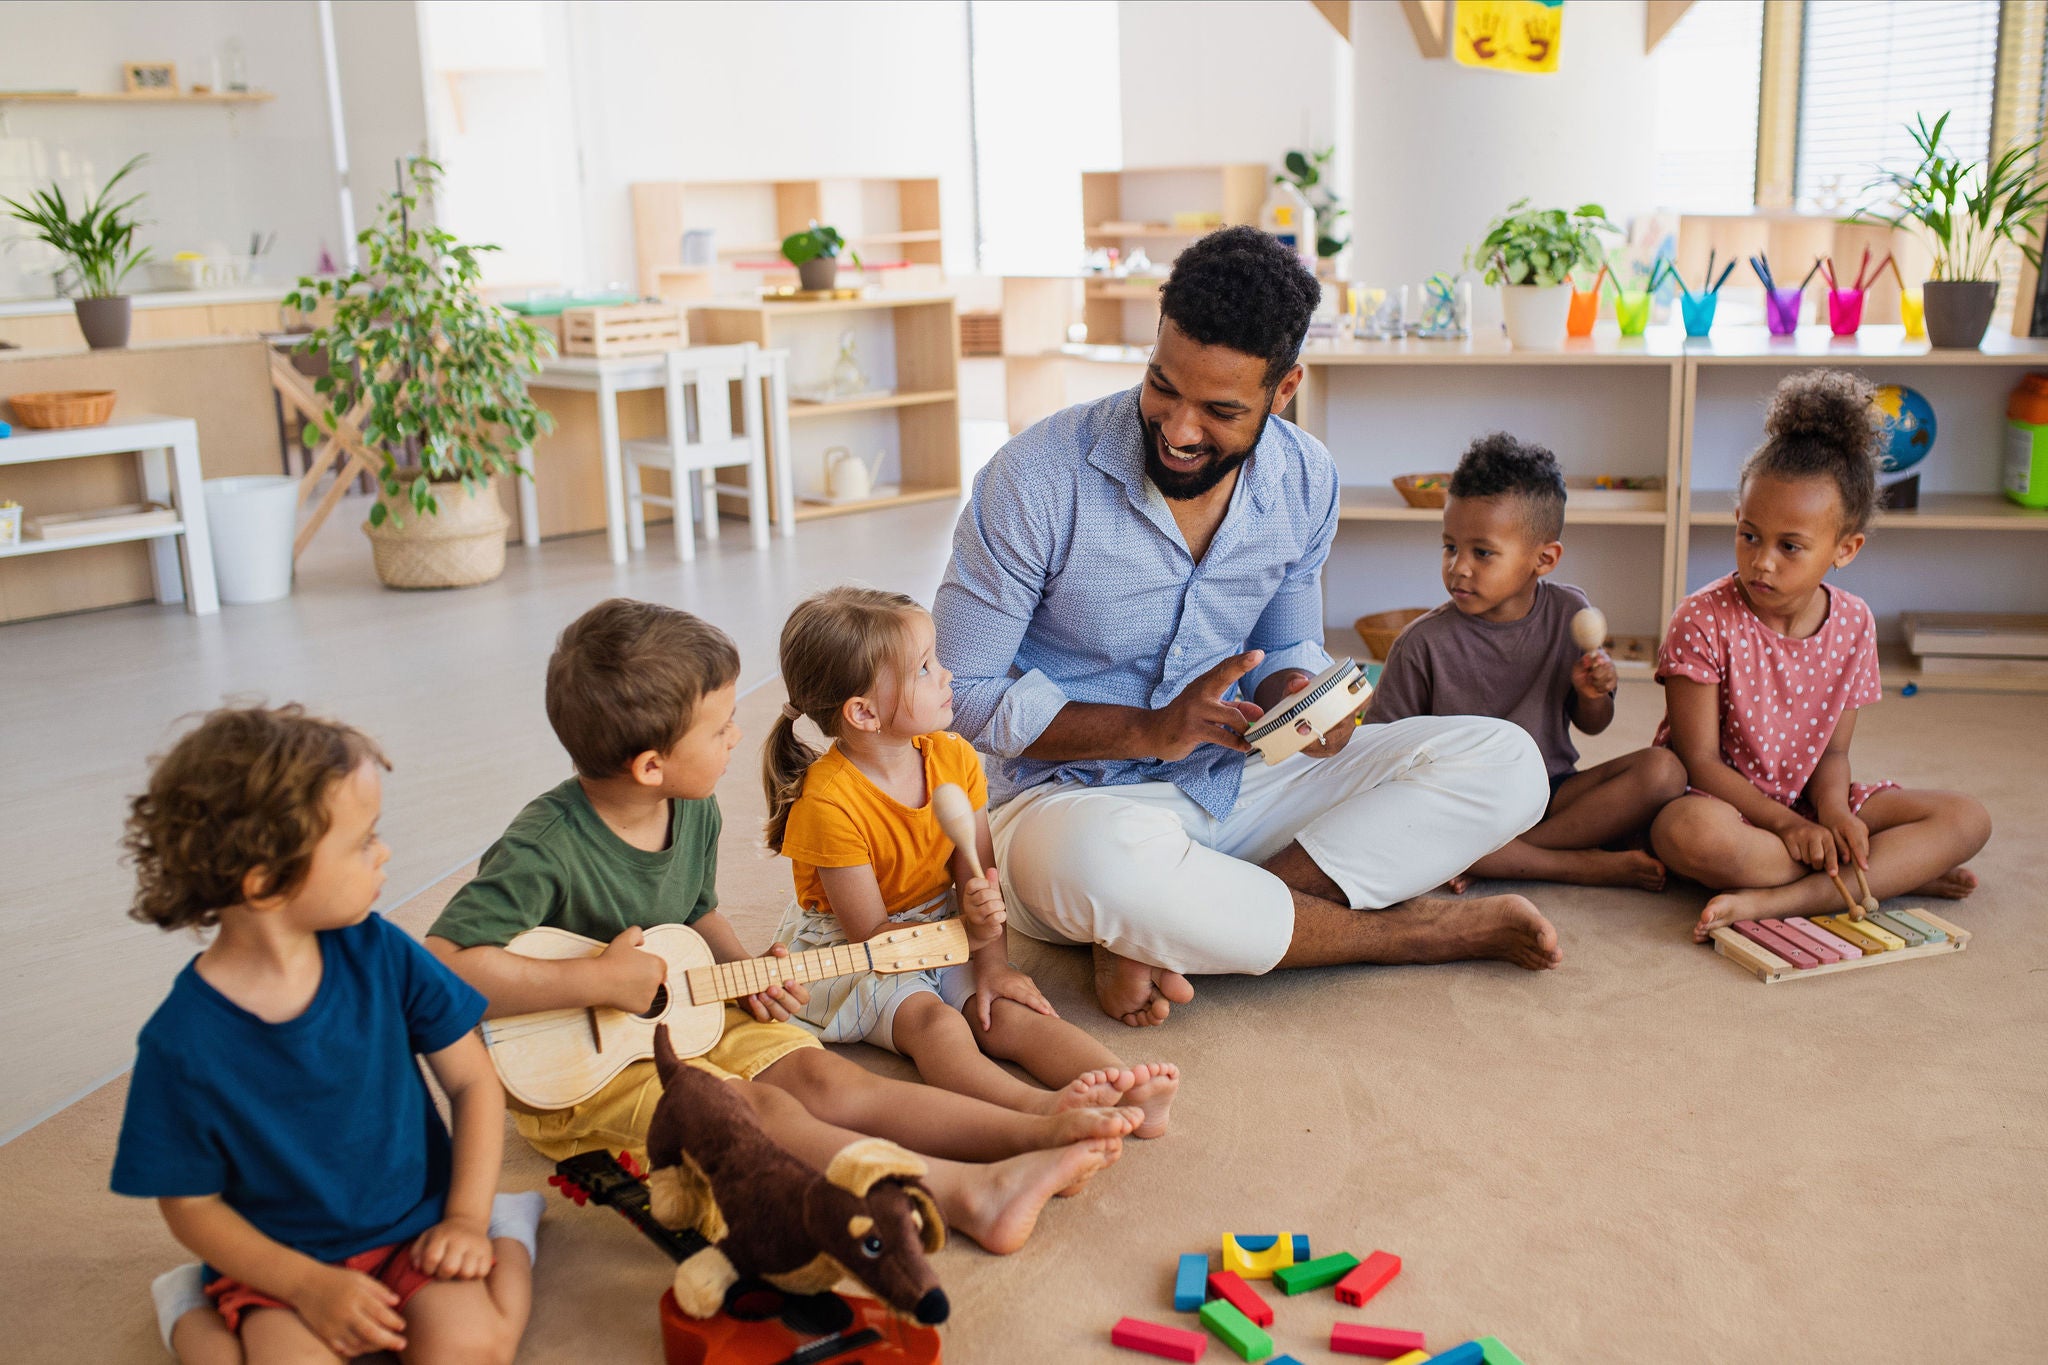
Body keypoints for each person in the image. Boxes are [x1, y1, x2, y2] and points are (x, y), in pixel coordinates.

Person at [933, 225, 1558, 1031]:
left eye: (1221, 409)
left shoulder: (1306, 479)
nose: (1180, 429)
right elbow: (958, 695)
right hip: (1066, 806)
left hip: (1236, 779)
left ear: (1285, 386)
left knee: (1508, 764)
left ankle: (1180, 921)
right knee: (1106, 866)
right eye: (1164, 385)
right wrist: (1147, 729)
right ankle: (1404, 933)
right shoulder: (1034, 480)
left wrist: (1303, 698)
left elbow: (1290, 643)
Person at [425, 598, 1133, 1256]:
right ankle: (968, 1194)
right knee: (754, 1110)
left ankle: (1031, 1128)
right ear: (650, 764)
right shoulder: (545, 843)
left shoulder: (690, 805)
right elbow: (442, 964)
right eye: (719, 726)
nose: (739, 733)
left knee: (829, 1079)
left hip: (694, 1006)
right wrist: (598, 979)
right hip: (581, 1069)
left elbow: (694, 908)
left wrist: (742, 968)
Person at [113, 705, 536, 1365]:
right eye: (363, 839)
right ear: (266, 883)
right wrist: (305, 1283)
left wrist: (465, 1217)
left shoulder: (384, 952)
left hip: (417, 1227)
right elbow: (190, 1205)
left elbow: (472, 1080)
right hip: (281, 1263)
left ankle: (510, 1228)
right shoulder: (181, 1041)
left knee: (474, 1347)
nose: (384, 850)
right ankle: (188, 1307)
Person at [763, 586, 1180, 1137]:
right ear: (863, 713)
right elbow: (871, 934)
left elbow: (976, 868)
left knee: (1005, 1010)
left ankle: (1124, 1085)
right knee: (935, 1024)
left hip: (938, 918)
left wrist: (991, 962)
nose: (948, 674)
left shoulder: (952, 754)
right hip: (862, 946)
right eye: (925, 668)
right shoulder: (827, 803)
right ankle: (1036, 1110)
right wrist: (968, 928)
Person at [1646, 371, 1991, 940]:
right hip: (1723, 806)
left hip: (1808, 801)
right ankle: (1878, 874)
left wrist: (1832, 815)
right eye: (1749, 535)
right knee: (1688, 835)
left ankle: (1797, 895)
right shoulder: (1702, 618)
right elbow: (1700, 760)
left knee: (1968, 818)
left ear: (1845, 548)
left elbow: (1833, 755)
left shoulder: (1853, 623)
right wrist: (1785, 825)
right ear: (1737, 519)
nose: (1762, 562)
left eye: (1790, 547)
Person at [1363, 433, 1687, 890]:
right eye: (1449, 546)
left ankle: (1497, 858)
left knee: (1664, 771)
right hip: (1460, 804)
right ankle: (1570, 864)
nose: (1459, 567)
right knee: (1386, 821)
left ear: (1545, 558)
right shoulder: (1421, 643)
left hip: (1549, 791)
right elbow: (1377, 758)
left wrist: (1592, 692)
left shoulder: (1570, 614)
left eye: (1482, 552)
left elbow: (1594, 725)